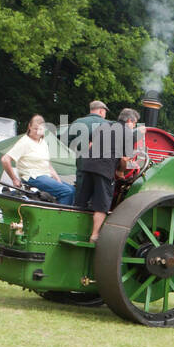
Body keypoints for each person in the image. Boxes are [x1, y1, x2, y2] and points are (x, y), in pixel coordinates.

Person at [70, 99, 129, 243]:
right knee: (101, 205)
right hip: (104, 170)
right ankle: (94, 235)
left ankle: (71, 230)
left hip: (85, 165)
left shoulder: (86, 123)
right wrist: (121, 173)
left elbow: (89, 145)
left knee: (80, 201)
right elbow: (124, 159)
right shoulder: (124, 131)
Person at [0, 115, 74, 205]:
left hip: (46, 176)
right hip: (32, 176)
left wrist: (58, 179)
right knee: (66, 192)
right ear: (29, 126)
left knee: (73, 190)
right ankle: (60, 217)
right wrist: (14, 179)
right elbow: (5, 159)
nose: (38, 132)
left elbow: (48, 164)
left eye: (40, 129)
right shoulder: (24, 142)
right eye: (35, 129)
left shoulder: (43, 143)